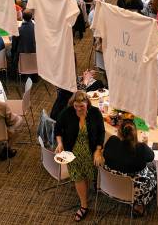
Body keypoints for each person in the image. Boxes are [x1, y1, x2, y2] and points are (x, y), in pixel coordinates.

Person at [55, 91, 105, 222]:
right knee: (78, 177)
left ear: (87, 103)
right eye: (76, 106)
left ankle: (85, 192)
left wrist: (98, 150)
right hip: (72, 152)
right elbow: (58, 128)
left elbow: (101, 132)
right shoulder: (67, 112)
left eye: (81, 106)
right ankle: (84, 205)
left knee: (88, 175)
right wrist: (60, 143)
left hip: (90, 150)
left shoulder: (95, 113)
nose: (78, 109)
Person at [103, 119, 156, 216]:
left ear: (119, 132)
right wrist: (140, 143)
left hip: (109, 184)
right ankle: (139, 206)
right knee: (153, 170)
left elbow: (105, 154)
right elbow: (151, 157)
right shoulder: (141, 148)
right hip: (134, 189)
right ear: (135, 133)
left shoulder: (112, 141)